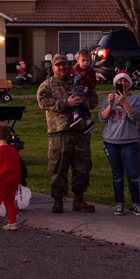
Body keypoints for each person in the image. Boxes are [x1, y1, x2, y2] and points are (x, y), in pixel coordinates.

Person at [36, 53, 98, 213]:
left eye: (65, 64)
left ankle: (79, 200)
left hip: (81, 132)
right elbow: (43, 102)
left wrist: (84, 101)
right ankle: (58, 200)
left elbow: (94, 100)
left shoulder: (79, 81)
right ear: (53, 67)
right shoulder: (47, 85)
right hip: (59, 132)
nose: (62, 67)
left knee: (82, 166)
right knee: (58, 167)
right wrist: (66, 103)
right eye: (58, 65)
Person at [99, 71, 140, 216]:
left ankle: (136, 203)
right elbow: (102, 118)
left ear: (130, 84)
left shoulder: (136, 100)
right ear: (116, 84)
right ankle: (119, 203)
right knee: (117, 174)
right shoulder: (109, 99)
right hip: (111, 141)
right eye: (120, 82)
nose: (123, 84)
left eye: (126, 81)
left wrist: (124, 102)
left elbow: (136, 117)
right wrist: (110, 105)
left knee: (131, 173)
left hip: (129, 141)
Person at [70, 49, 97, 132]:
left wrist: (88, 87)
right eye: (83, 60)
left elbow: (93, 82)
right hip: (76, 87)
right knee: (83, 106)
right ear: (78, 61)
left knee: (75, 100)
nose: (86, 63)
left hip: (84, 89)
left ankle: (76, 115)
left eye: (88, 60)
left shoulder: (90, 72)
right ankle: (89, 122)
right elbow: (71, 76)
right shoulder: (75, 70)